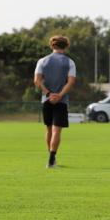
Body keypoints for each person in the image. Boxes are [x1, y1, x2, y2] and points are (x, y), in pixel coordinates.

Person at [34, 35, 76, 168]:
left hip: (46, 99)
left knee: (49, 129)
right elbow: (71, 81)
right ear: (66, 46)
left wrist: (48, 93)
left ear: (52, 45)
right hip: (61, 101)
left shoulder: (42, 61)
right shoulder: (70, 62)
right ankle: (52, 159)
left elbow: (37, 80)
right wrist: (59, 95)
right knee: (57, 130)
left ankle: (51, 158)